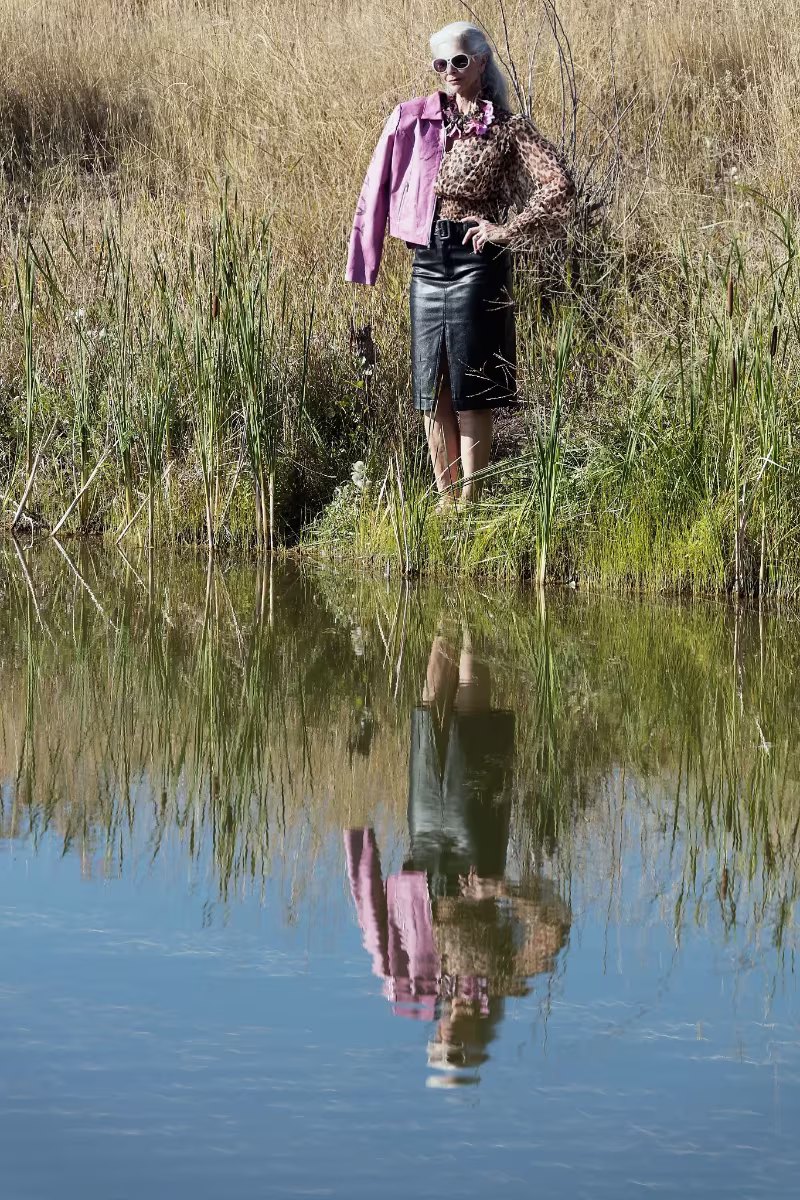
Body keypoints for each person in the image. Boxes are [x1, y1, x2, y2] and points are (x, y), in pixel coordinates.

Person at [346, 20, 575, 505]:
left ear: (481, 62)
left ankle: (471, 504)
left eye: (459, 60)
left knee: (471, 389)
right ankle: (446, 503)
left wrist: (505, 229)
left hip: (476, 261)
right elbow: (377, 187)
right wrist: (366, 256)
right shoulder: (416, 119)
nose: (449, 70)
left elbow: (559, 184)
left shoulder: (506, 127)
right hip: (427, 261)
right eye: (440, 62)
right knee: (431, 390)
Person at [344, 625, 570, 1085]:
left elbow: (372, 921)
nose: (446, 1038)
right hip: (476, 844)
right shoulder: (504, 982)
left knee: (430, 715)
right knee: (472, 715)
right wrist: (501, 890)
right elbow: (556, 923)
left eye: (441, 1048)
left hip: (425, 847)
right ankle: (472, 623)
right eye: (455, 1051)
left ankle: (445, 616)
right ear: (476, 1044)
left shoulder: (408, 990)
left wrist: (359, 841)